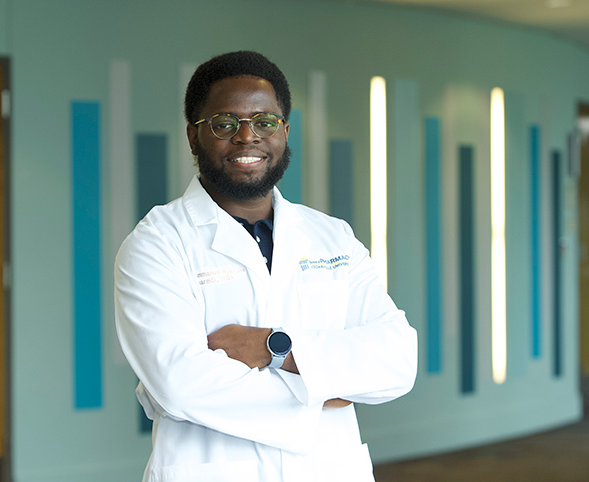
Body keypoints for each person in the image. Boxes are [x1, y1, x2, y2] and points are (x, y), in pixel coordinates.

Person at [114, 50, 417, 482]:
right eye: (224, 123)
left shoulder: (333, 237)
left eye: (264, 122)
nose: (247, 137)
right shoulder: (157, 244)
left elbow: (398, 361)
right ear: (193, 136)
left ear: (285, 131)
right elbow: (181, 384)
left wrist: (276, 348)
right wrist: (326, 386)